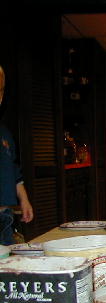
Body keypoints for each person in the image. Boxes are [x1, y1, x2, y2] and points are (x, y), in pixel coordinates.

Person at [0, 65, 34, 245]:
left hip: (5, 216)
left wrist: (24, 200)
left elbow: (14, 172)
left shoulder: (5, 134)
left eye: (0, 91)